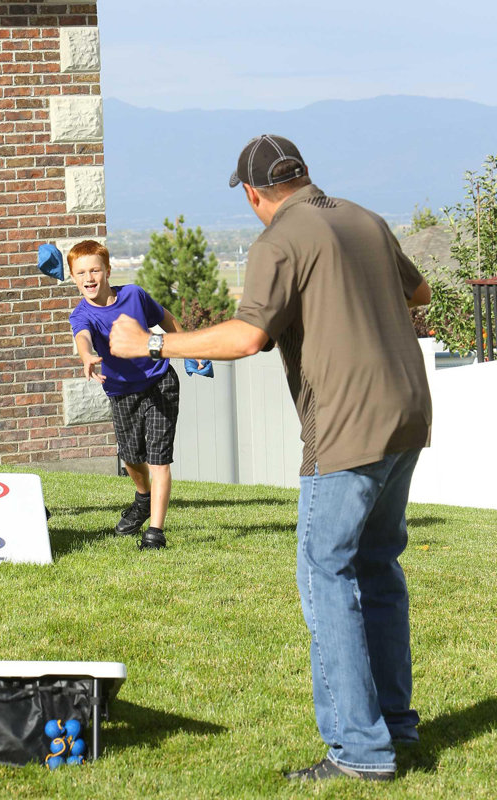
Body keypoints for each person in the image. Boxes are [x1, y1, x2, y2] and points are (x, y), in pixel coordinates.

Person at [109, 135, 432, 781]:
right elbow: (418, 294)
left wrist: (149, 339)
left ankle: (360, 753)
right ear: (305, 176)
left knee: (326, 576)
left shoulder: (279, 238)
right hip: (408, 413)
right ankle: (396, 727)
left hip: (346, 427)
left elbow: (247, 335)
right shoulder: (364, 218)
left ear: (254, 195)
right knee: (377, 567)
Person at [68, 239, 193, 550]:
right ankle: (143, 497)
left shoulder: (134, 295)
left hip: (159, 381)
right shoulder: (81, 314)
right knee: (131, 457)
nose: (89, 278)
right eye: (81, 272)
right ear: (72, 277)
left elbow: (164, 317)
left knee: (158, 459)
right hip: (122, 391)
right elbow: (82, 337)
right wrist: (86, 356)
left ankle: (155, 532)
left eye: (95, 270)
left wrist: (188, 346)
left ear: (108, 270)